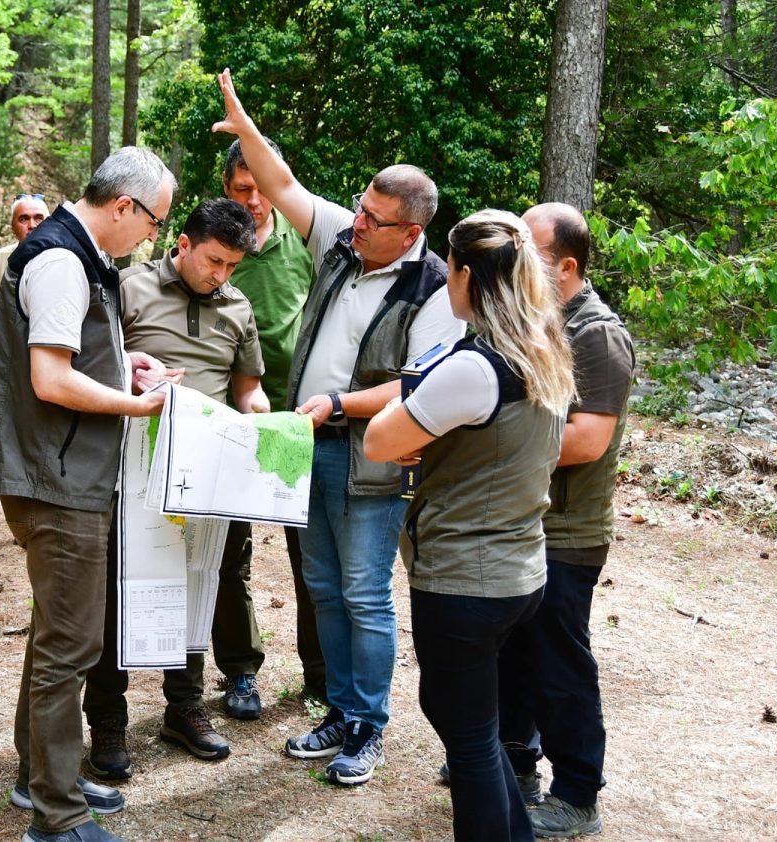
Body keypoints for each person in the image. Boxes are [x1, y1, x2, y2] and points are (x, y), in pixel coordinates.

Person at [213, 69, 465, 786]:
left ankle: (369, 727)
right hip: (307, 445)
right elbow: (284, 184)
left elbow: (421, 387)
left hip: (373, 458)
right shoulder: (339, 242)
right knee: (321, 586)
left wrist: (339, 405)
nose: (358, 222)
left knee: (363, 592)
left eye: (375, 219)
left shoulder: (435, 290)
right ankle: (340, 708)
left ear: (412, 232)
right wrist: (247, 129)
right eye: (359, 208)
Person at [0, 146, 175, 842]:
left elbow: (76, 356)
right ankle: (58, 820)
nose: (153, 235)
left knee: (54, 637)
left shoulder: (82, 257)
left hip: (63, 474)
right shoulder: (63, 260)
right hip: (58, 482)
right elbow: (51, 381)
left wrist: (126, 365)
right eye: (155, 221)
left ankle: (39, 781)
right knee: (71, 647)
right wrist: (139, 408)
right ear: (124, 206)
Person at [363, 209, 575, 841]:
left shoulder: (473, 368)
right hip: (518, 568)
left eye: (448, 272)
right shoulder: (543, 350)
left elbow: (379, 439)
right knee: (473, 728)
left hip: (465, 577)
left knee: (470, 740)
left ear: (463, 275)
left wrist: (418, 427)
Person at [83, 198, 267, 772]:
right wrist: (135, 377)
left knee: (194, 587)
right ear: (182, 245)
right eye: (213, 260)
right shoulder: (128, 288)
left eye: (232, 266)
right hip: (129, 468)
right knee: (120, 588)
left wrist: (263, 428)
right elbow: (91, 368)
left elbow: (247, 391)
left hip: (206, 475)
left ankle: (183, 709)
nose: (221, 275)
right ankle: (108, 722)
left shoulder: (237, 306)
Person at [495, 202, 635, 838]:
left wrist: (492, 448)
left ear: (567, 266)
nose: (515, 257)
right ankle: (516, 765)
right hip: (525, 521)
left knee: (559, 662)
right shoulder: (535, 323)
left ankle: (578, 792)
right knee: (514, 653)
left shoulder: (596, 334)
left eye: (529, 248)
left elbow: (587, 441)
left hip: (568, 533)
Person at [221, 137, 325, 709]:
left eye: (262, 188)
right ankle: (239, 671)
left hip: (294, 421)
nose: (254, 201)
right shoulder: (215, 243)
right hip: (230, 421)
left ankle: (319, 674)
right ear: (226, 188)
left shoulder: (308, 240)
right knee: (228, 556)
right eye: (242, 189)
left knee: (308, 556)